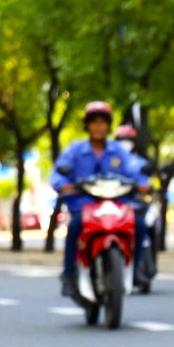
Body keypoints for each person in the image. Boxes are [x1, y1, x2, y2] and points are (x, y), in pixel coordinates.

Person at [49, 101, 151, 297]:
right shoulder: (75, 150)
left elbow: (134, 170)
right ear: (87, 125)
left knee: (139, 224)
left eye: (103, 122)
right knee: (75, 226)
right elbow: (58, 174)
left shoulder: (118, 151)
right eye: (94, 122)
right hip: (84, 206)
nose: (98, 127)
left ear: (108, 125)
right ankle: (69, 275)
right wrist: (64, 184)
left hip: (116, 205)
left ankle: (136, 270)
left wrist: (143, 183)